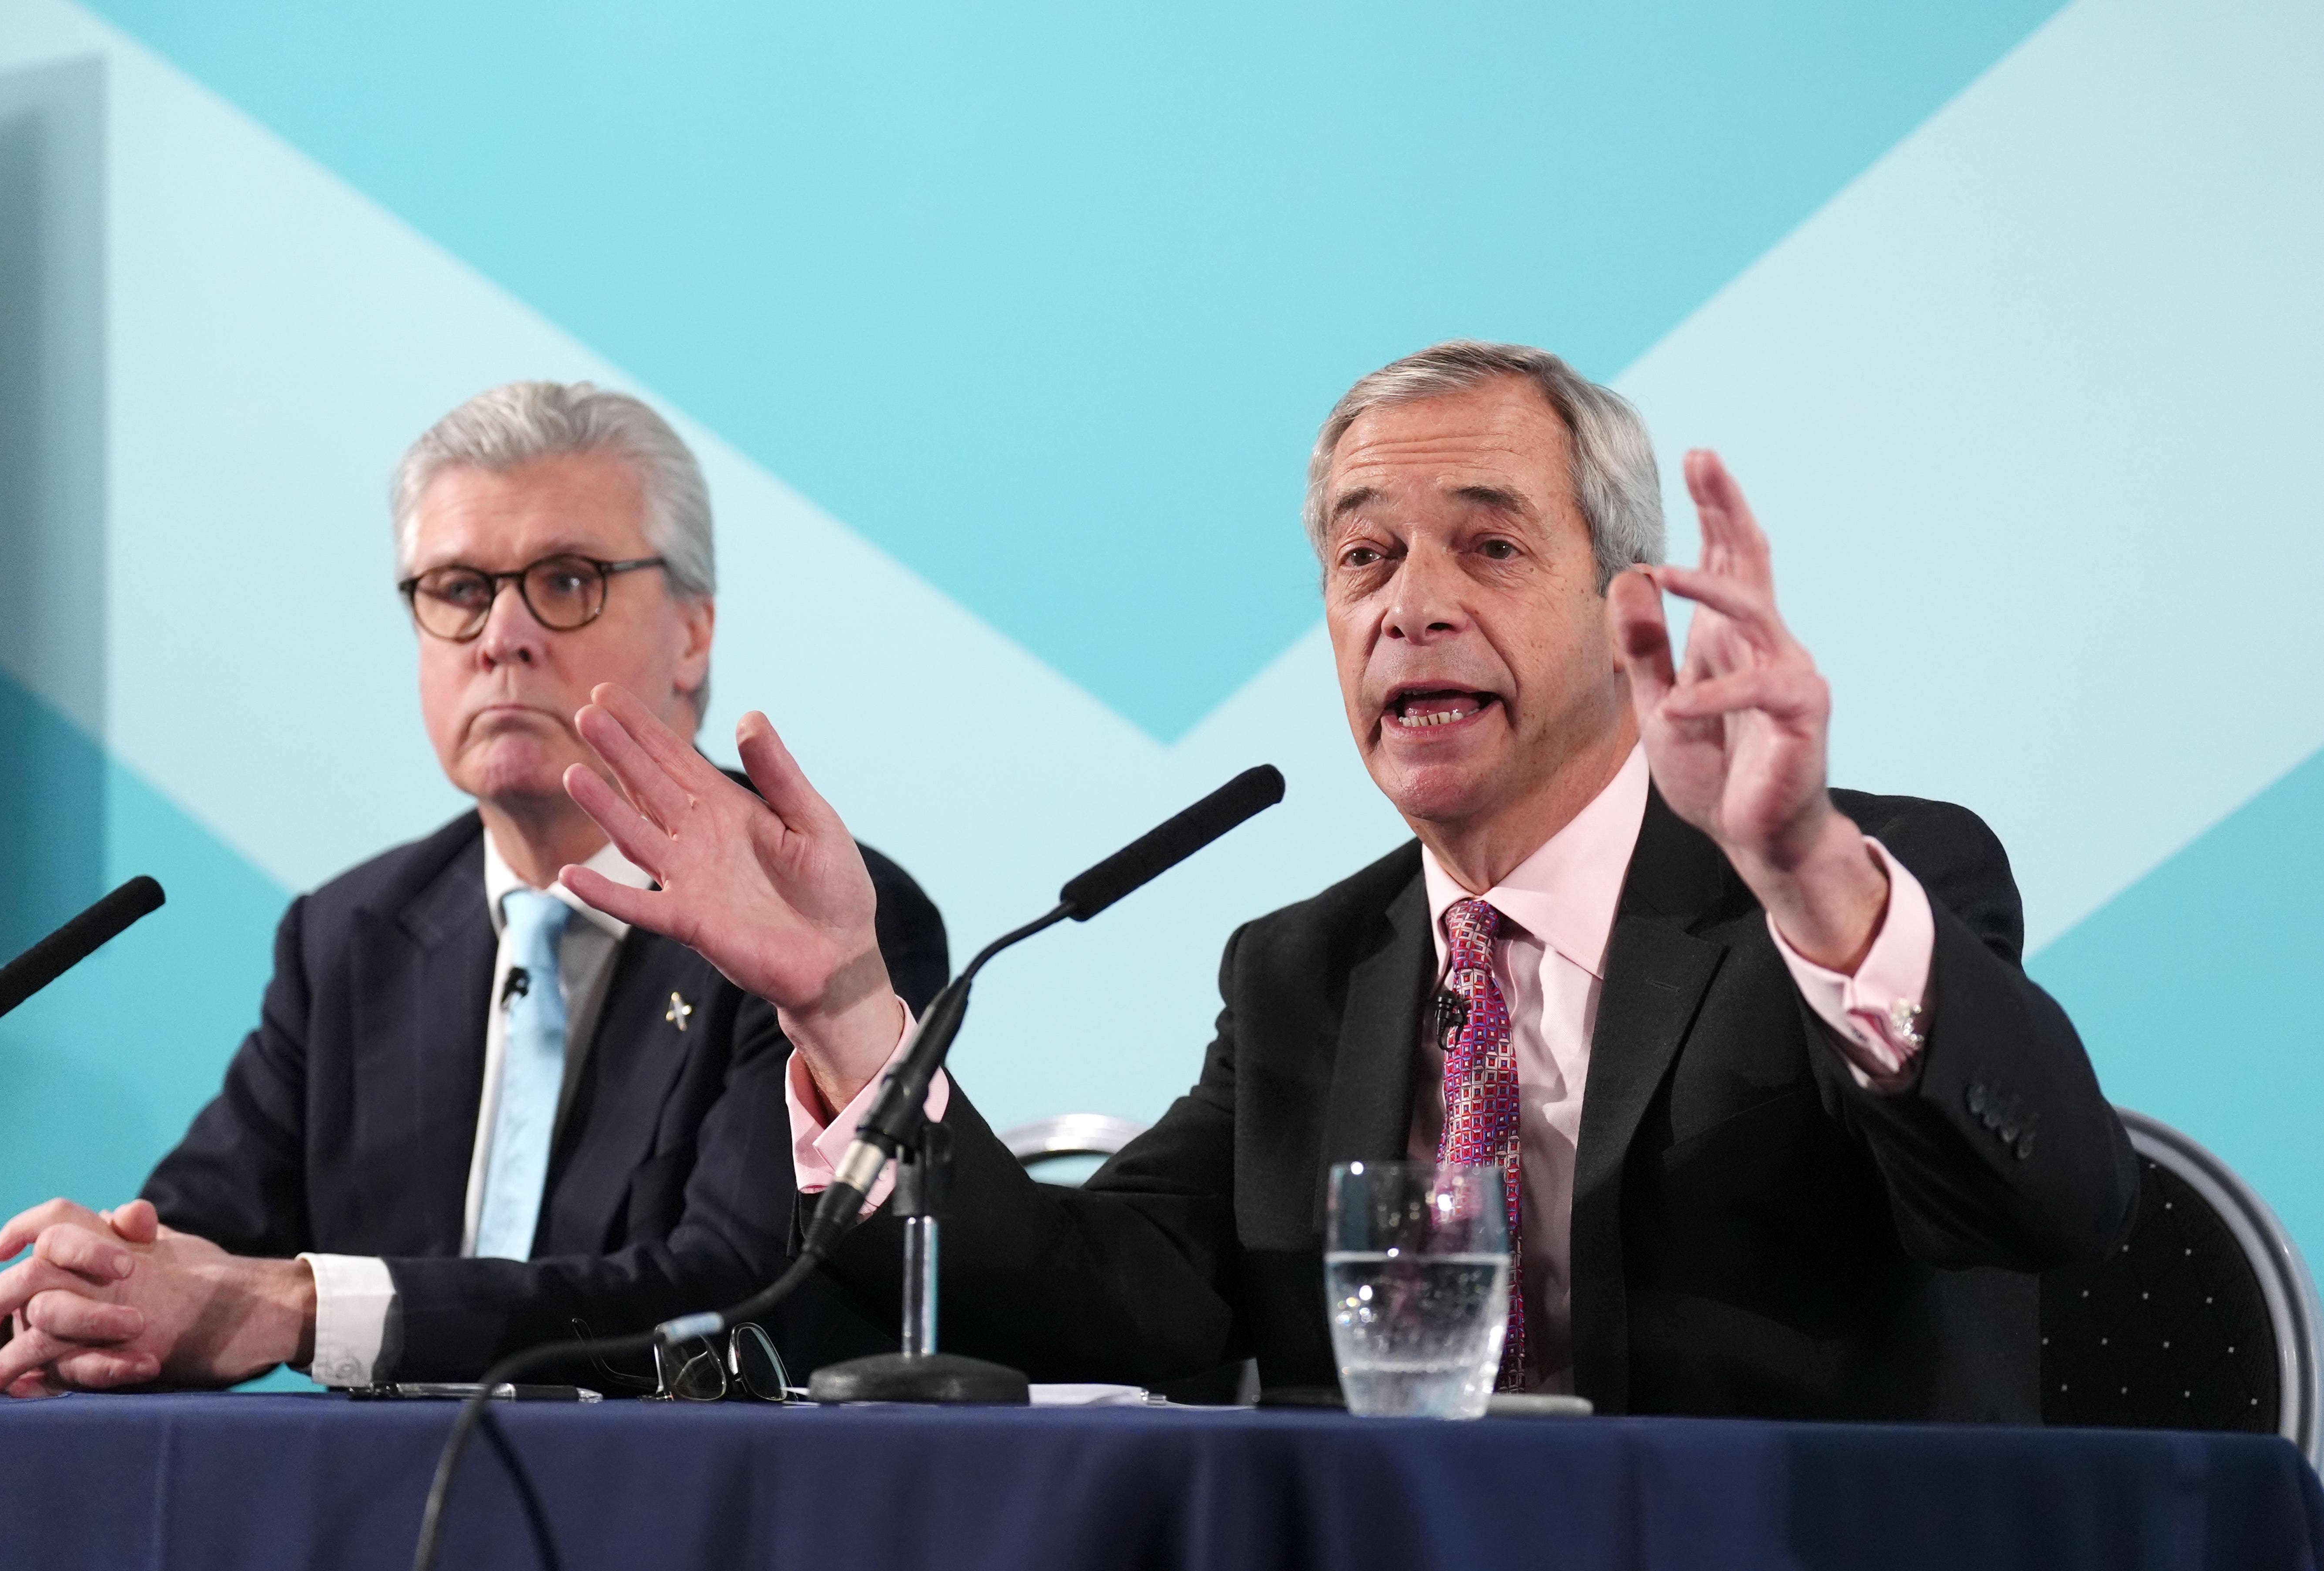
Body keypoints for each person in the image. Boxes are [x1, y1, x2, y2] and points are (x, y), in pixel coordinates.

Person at [551, 341, 2135, 1419]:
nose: (1409, 607)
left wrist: (1807, 873)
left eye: (1489, 548)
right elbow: (1125, 1298)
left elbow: (2056, 1200)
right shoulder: (1308, 967)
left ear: (1628, 612)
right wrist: (844, 1005)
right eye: (1364, 558)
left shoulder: (1851, 886)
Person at [0, 382, 948, 1396]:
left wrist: (305, 1307)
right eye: (459, 589)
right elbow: (196, 1250)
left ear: (693, 633)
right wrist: (87, 1296)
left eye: (567, 581)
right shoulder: (351, 935)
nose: (500, 637)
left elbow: (735, 1300)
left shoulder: (818, 919)